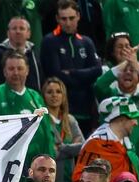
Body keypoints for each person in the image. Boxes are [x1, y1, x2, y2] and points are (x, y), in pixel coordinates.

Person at [0, 51, 55, 168]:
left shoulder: (35, 96)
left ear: (27, 70)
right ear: (4, 71)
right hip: (4, 165)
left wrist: (49, 158)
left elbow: (46, 131)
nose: (16, 72)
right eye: (11, 68)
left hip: (35, 165)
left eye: (20, 68)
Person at [41, 1, 102, 134]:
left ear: (78, 16)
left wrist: (72, 73)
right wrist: (85, 77)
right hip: (61, 110)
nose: (68, 23)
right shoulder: (49, 41)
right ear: (57, 18)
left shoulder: (86, 42)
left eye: (71, 18)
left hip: (86, 108)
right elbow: (55, 74)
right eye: (63, 19)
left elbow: (98, 70)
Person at [94, 49, 139, 153]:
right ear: (116, 76)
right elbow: (99, 85)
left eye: (132, 70)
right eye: (123, 70)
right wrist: (126, 62)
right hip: (112, 153)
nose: (127, 72)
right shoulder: (109, 98)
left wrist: (137, 65)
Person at [72, 96, 139, 182]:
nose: (136, 123)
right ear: (121, 119)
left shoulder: (127, 143)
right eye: (133, 118)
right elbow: (78, 180)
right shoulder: (95, 144)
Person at [42, 77, 84, 182]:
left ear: (63, 95)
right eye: (49, 92)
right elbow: (50, 153)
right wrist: (70, 149)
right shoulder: (42, 122)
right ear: (43, 96)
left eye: (58, 91)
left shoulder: (70, 120)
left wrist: (61, 148)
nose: (54, 95)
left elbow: (82, 147)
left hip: (70, 181)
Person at [0, 16, 41, 93]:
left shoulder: (33, 53)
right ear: (8, 33)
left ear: (28, 34)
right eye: (14, 28)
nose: (18, 31)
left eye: (22, 28)